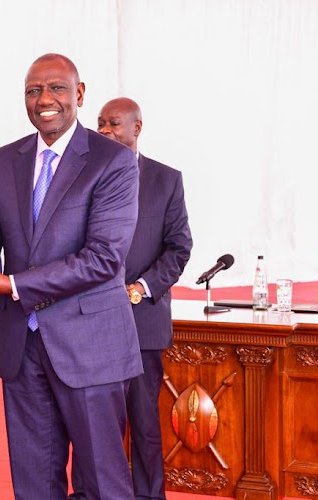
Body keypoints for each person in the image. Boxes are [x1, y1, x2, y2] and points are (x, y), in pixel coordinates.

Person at [0, 53, 143, 498]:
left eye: (57, 88)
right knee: (34, 484)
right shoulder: (2, 161)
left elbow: (103, 259)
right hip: (22, 348)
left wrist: (11, 286)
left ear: (79, 94)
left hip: (91, 347)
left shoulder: (113, 161)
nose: (45, 99)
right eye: (33, 90)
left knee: (102, 484)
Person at [97, 97, 193, 500]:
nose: (105, 131)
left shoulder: (165, 180)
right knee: (95, 425)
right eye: (100, 124)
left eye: (114, 123)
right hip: (90, 324)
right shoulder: (84, 176)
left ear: (137, 128)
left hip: (142, 323)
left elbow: (179, 248)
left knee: (144, 423)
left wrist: (140, 288)